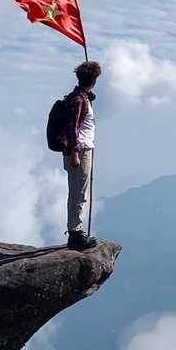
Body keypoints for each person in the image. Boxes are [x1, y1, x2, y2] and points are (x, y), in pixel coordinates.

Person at [62, 60, 101, 250]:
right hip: (80, 150)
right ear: (93, 80)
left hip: (83, 149)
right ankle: (75, 234)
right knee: (78, 193)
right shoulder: (78, 100)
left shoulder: (81, 97)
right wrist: (75, 153)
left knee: (78, 191)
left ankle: (76, 231)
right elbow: (72, 127)